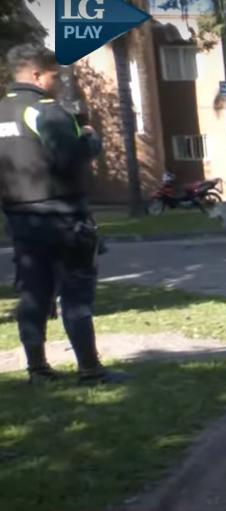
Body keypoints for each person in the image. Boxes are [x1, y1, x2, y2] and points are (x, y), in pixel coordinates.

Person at [0, 44, 127, 385]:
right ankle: (90, 370)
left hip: (21, 220)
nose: (58, 82)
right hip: (63, 218)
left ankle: (37, 368)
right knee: (76, 293)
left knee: (33, 293)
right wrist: (90, 139)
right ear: (37, 75)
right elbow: (70, 158)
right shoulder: (45, 111)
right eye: (55, 75)